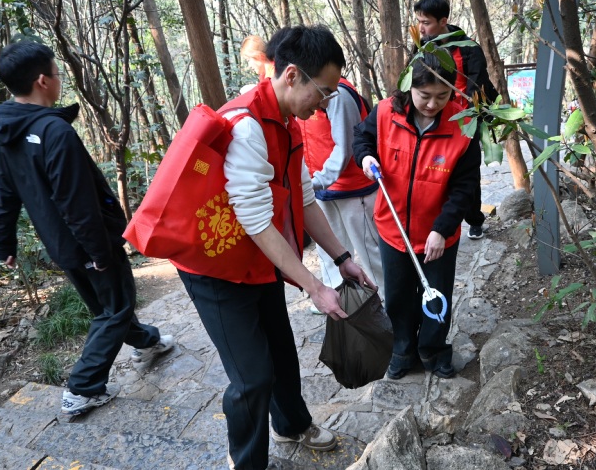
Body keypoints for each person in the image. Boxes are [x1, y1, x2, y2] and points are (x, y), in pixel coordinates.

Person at [173, 26, 376, 470]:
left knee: (281, 352)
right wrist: (314, 287)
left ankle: (292, 424)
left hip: (255, 257)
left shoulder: (286, 123)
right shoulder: (248, 127)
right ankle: (246, 461)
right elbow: (257, 221)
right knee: (252, 376)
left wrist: (342, 259)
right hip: (214, 266)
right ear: (291, 75)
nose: (327, 102)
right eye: (323, 91)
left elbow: (303, 198)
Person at [0, 41, 174, 416]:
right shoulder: (54, 132)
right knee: (116, 308)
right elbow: (76, 202)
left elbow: (4, 194)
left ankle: (146, 342)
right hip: (88, 242)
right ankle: (83, 387)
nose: (59, 80)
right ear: (42, 81)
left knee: (108, 306)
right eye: (57, 73)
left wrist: (2, 243)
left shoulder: (8, 133)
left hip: (60, 245)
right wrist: (99, 251)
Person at [353, 53, 480, 380]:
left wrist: (442, 229)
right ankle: (402, 350)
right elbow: (361, 138)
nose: (432, 104)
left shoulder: (463, 125)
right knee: (398, 297)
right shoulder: (385, 112)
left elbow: (465, 187)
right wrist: (365, 158)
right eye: (425, 95)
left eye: (442, 96)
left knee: (436, 297)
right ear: (409, 86)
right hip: (392, 228)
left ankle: (433, 351)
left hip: (437, 235)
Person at [295, 71, 385, 308]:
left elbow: (345, 147)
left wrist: (317, 180)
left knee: (370, 252)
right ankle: (341, 302)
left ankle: (387, 302)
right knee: (330, 252)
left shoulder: (338, 95)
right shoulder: (300, 95)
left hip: (354, 190)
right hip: (321, 187)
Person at [414, 0, 499, 240]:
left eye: (426, 22)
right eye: (419, 21)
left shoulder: (468, 47)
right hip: (433, 117)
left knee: (466, 173)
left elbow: (476, 85)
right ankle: (434, 221)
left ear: (443, 21)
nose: (420, 28)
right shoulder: (422, 46)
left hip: (465, 121)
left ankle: (474, 220)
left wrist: (465, 117)